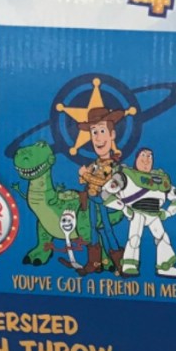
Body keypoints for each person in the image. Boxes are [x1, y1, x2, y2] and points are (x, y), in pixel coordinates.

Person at [101, 148, 176, 278]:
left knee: (163, 238)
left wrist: (168, 213)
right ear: (136, 158)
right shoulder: (125, 176)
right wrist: (124, 208)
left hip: (155, 214)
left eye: (150, 157)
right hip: (136, 213)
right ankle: (129, 265)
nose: (146, 160)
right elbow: (106, 194)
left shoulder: (161, 179)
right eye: (143, 156)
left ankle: (165, 267)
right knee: (134, 238)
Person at [74, 107, 136, 275]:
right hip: (92, 200)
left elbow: (104, 182)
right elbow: (83, 181)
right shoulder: (95, 163)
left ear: (112, 135)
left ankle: (121, 264)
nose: (98, 137)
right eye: (94, 132)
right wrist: (84, 176)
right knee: (93, 230)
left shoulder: (112, 165)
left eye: (102, 131)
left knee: (107, 230)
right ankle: (95, 263)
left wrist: (86, 175)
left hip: (106, 201)